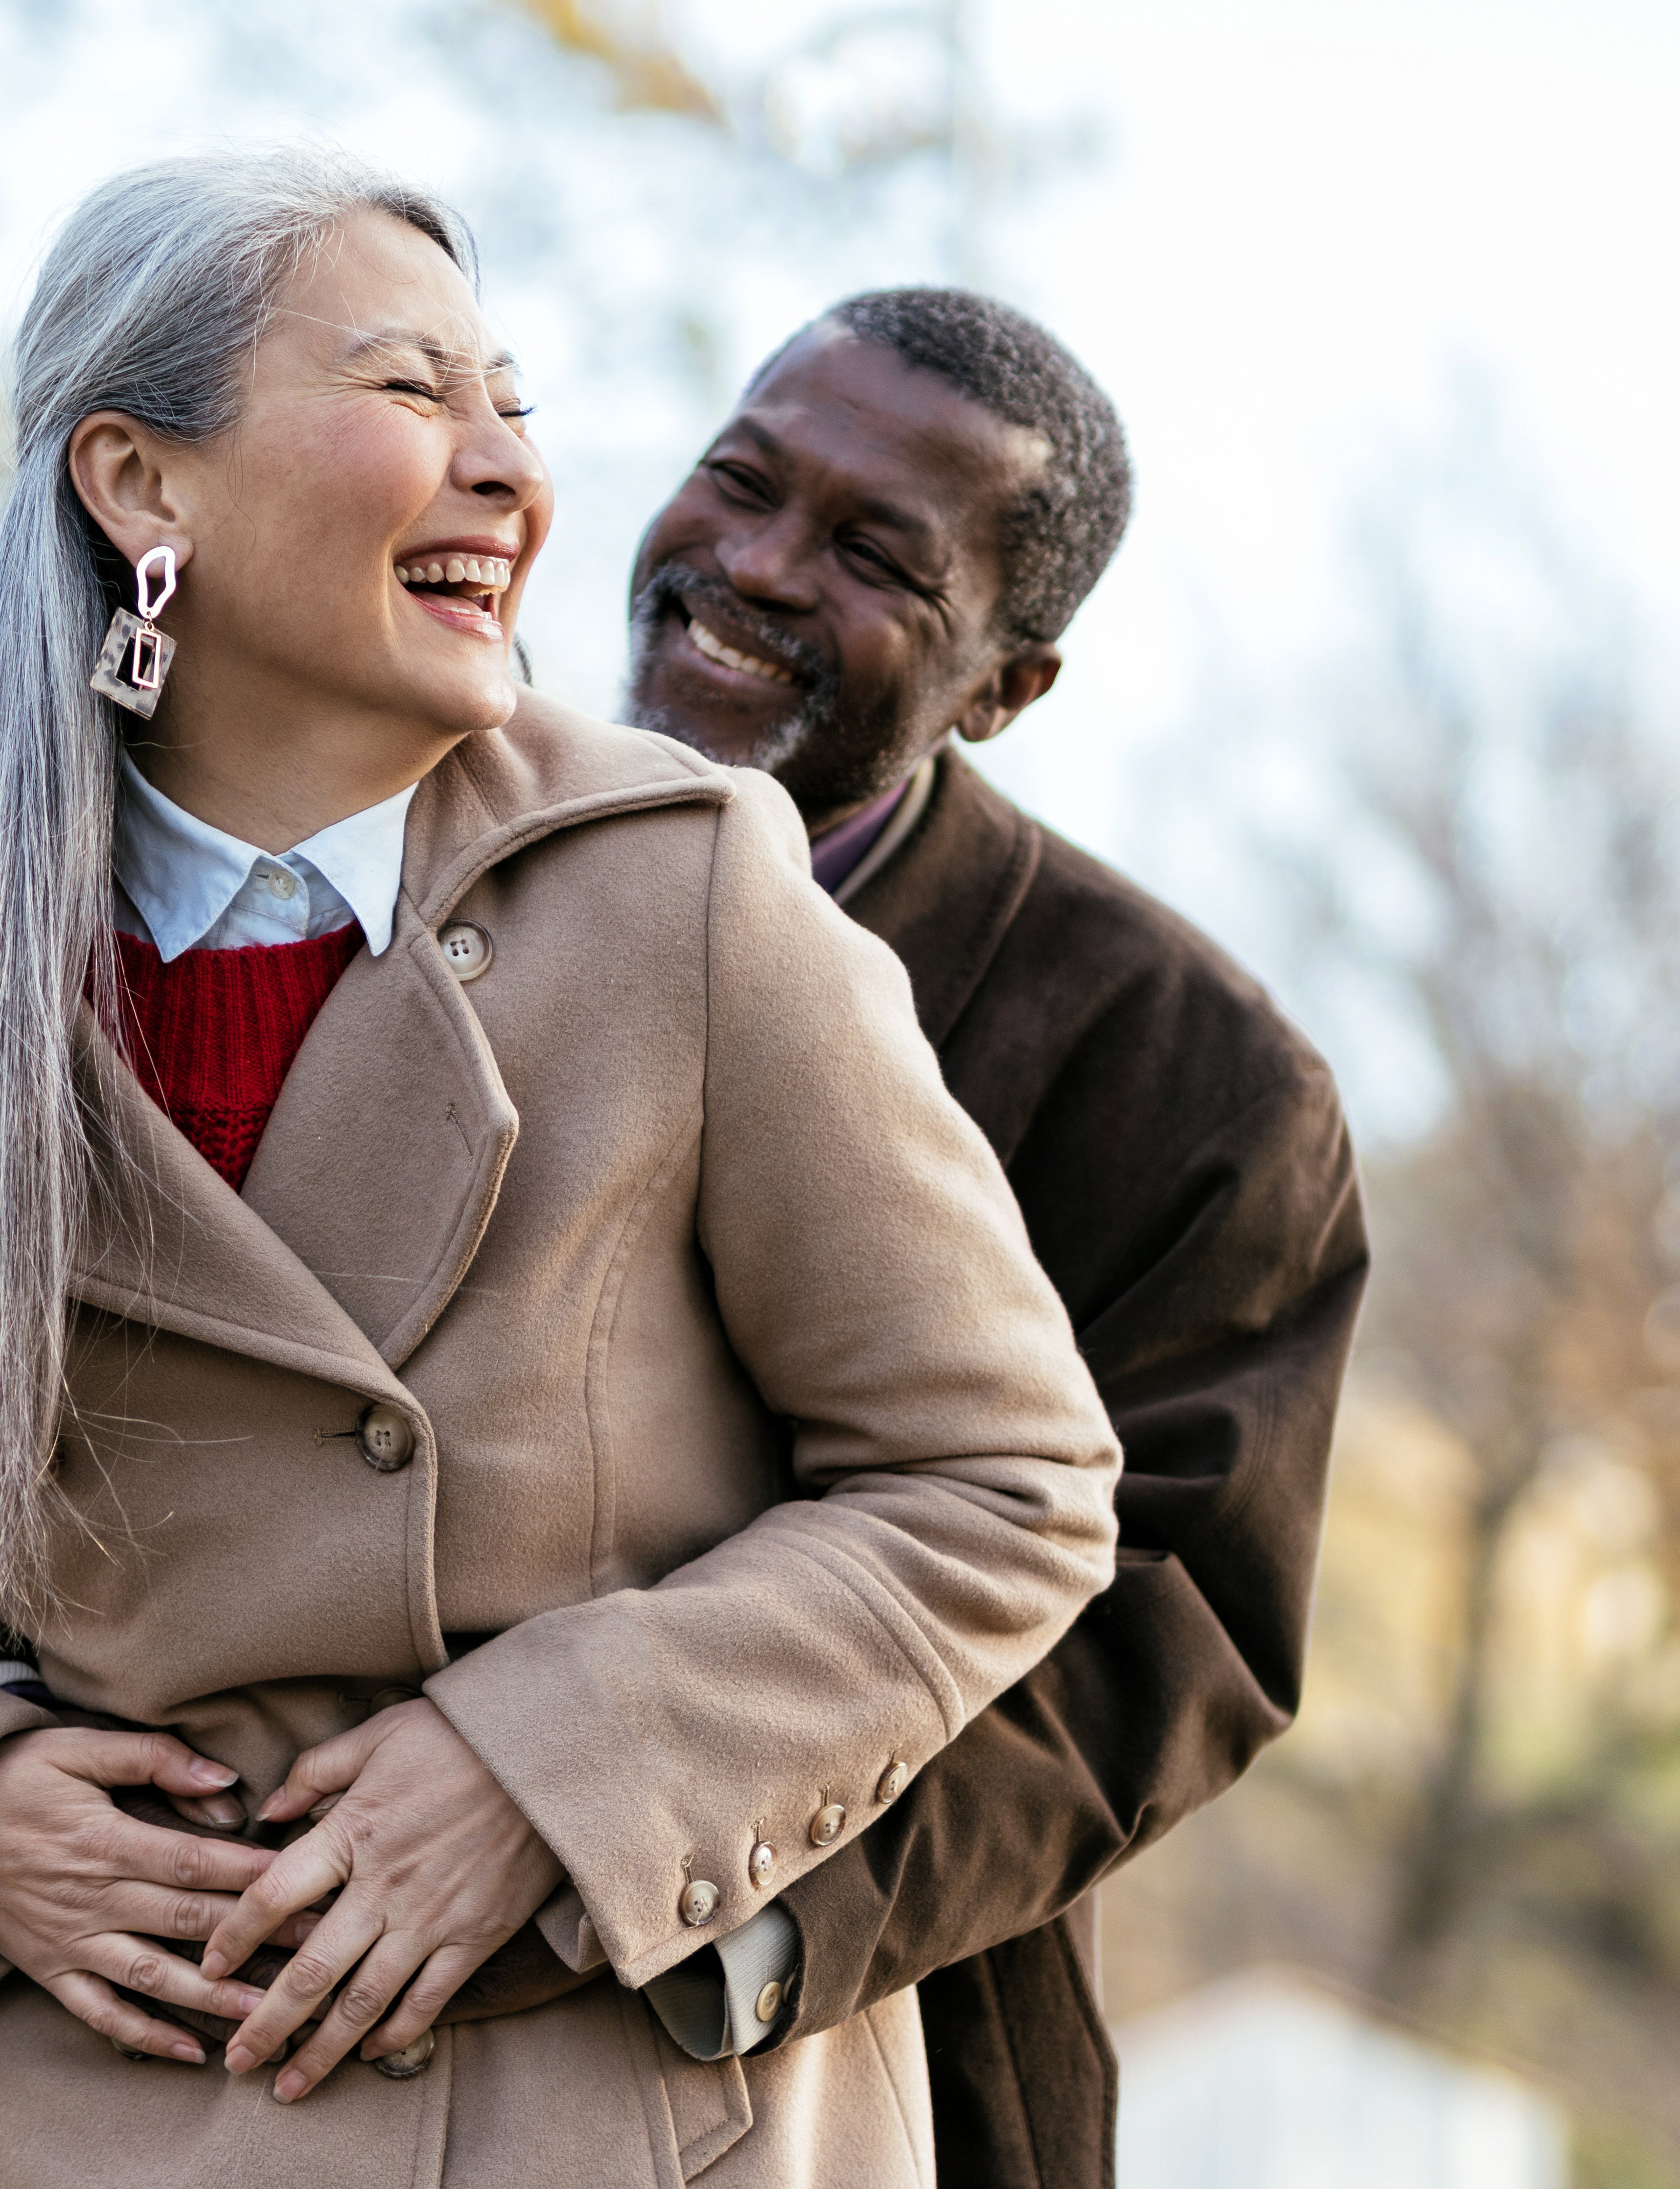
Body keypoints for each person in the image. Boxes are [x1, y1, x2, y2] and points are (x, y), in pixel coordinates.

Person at [0, 151, 1121, 2188]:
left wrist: (545, 1768)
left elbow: (1004, 1479)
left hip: (597, 2097)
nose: (512, 471)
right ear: (139, 485)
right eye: (418, 394)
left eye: (513, 402)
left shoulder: (685, 889)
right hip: (82, 2096)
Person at [617, 291, 1369, 2189]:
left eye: (874, 555)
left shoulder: (1192, 1078)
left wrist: (691, 1913)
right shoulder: (390, 869)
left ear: (1007, 685)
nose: (754, 566)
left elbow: (1164, 1628)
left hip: (848, 2046)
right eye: (741, 480)